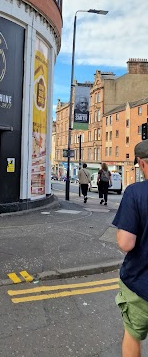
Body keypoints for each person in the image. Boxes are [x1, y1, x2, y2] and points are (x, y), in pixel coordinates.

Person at [112, 140, 148, 357]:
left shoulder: (135, 192)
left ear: (141, 163)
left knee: (132, 334)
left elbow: (126, 243)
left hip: (140, 285)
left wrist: (118, 232)